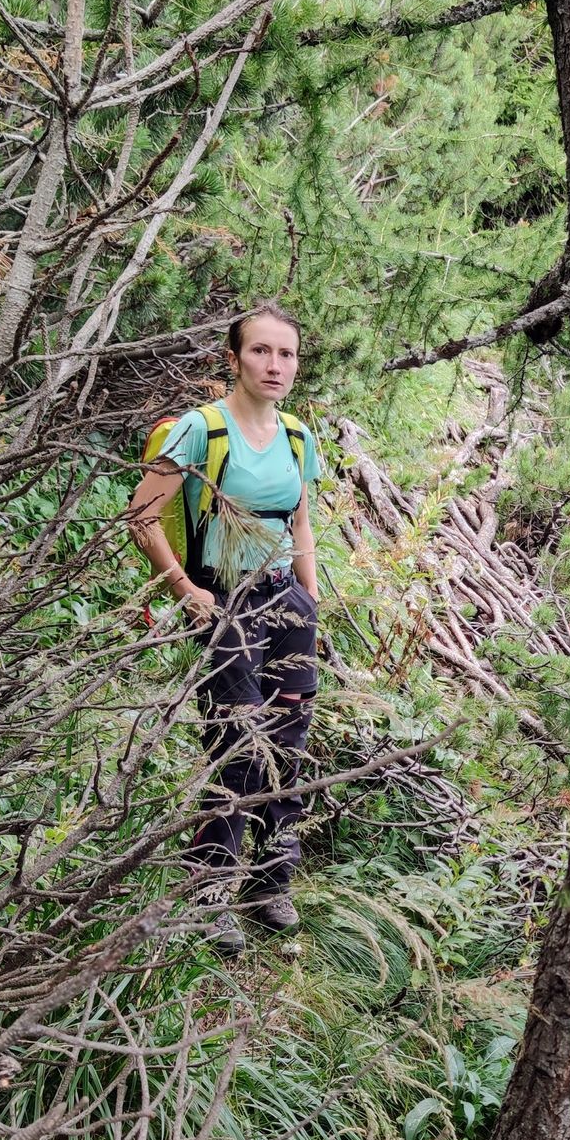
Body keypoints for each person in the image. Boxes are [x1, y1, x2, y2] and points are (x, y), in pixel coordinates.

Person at [129, 305, 322, 959]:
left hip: (286, 602)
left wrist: (310, 602)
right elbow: (142, 514)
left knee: (288, 740)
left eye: (286, 354)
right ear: (233, 359)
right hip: (224, 601)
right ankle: (210, 887)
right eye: (262, 352)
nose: (275, 365)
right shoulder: (201, 430)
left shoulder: (297, 437)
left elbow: (300, 525)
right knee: (237, 743)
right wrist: (186, 593)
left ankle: (271, 880)